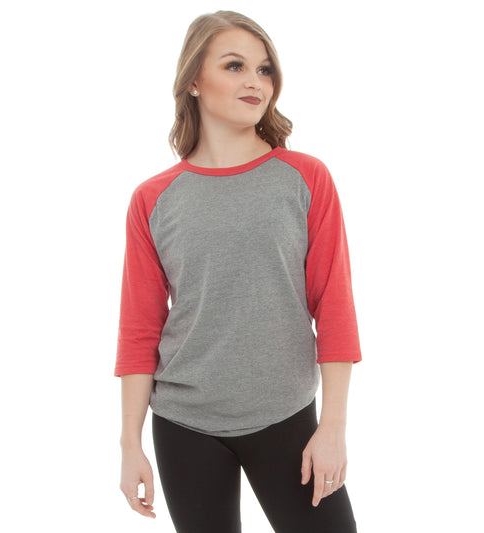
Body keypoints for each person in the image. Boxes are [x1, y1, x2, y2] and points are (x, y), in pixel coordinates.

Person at [114, 10, 362, 532]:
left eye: (264, 69)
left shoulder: (304, 178)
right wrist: (129, 443)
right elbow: (140, 328)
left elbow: (334, 306)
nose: (255, 81)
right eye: (234, 66)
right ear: (194, 81)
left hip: (286, 414)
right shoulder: (153, 199)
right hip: (184, 422)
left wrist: (334, 426)